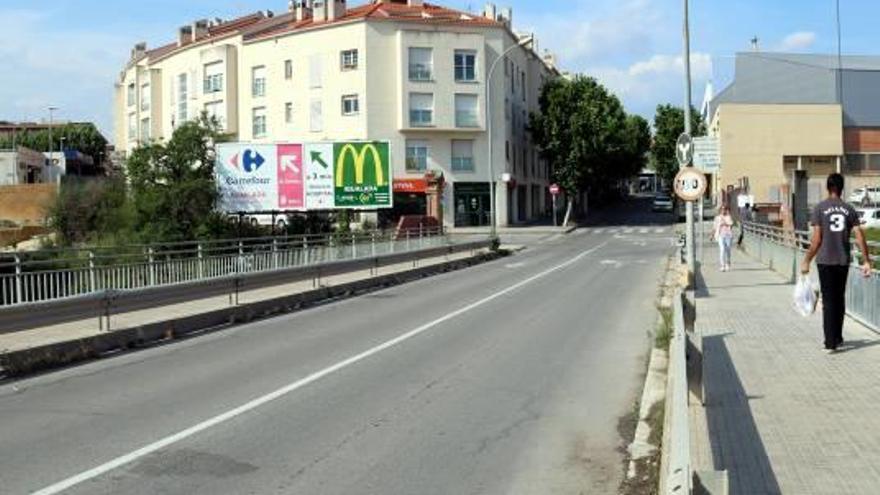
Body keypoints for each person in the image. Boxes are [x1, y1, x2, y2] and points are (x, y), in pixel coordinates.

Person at [801, 173, 874, 353]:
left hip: (825, 260)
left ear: (828, 187)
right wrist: (866, 261)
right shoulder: (849, 209)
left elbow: (817, 239)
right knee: (839, 298)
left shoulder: (819, 208)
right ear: (841, 189)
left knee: (828, 301)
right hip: (842, 260)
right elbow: (859, 235)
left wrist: (807, 259)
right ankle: (839, 337)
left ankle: (830, 341)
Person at [712, 205, 735, 271]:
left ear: (726, 210)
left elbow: (731, 224)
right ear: (720, 210)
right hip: (720, 235)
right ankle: (722, 265)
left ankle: (728, 263)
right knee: (722, 249)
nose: (723, 210)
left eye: (724, 209)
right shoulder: (717, 218)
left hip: (728, 235)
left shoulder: (728, 217)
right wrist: (712, 235)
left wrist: (725, 223)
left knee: (728, 250)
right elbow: (714, 227)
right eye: (722, 209)